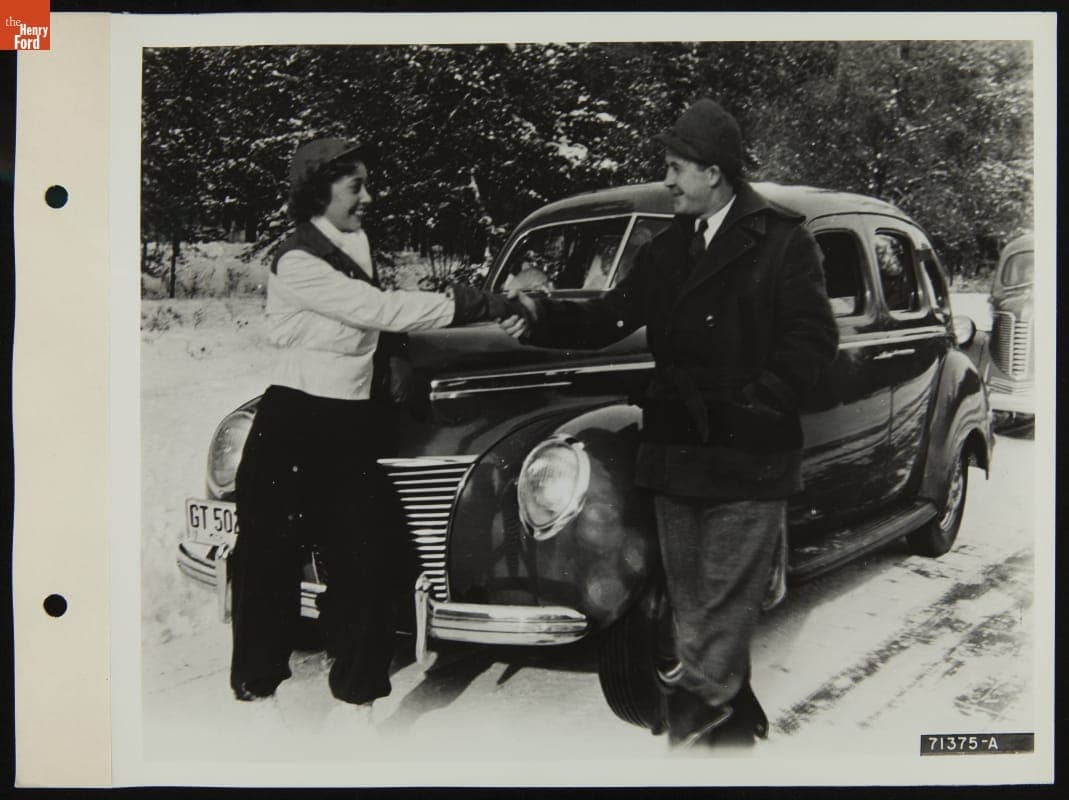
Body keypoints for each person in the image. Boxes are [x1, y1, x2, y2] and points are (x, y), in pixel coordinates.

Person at [501, 99, 839, 750]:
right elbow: (608, 316)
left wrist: (755, 403)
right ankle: (732, 729)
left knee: (716, 630)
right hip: (676, 455)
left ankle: (696, 751)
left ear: (713, 173)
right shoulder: (666, 250)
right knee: (692, 624)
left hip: (746, 460)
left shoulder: (782, 241)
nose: (666, 180)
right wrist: (539, 315)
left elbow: (811, 340)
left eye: (675, 168)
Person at [229, 138, 521, 729]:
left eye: (366, 183)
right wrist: (480, 303)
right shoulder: (295, 259)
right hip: (293, 417)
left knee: (364, 559)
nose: (369, 196)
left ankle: (356, 702)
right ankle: (259, 694)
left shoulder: (357, 242)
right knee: (269, 561)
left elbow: (373, 329)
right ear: (319, 191)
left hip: (352, 421)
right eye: (355, 186)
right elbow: (379, 310)